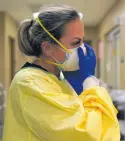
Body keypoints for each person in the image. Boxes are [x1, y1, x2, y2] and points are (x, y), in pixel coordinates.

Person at [2, 4, 120, 141]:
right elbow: (86, 134)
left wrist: (80, 90)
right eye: (76, 43)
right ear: (48, 48)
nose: (83, 49)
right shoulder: (29, 82)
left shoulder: (58, 78)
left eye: (83, 41)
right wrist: (89, 80)